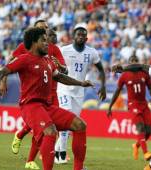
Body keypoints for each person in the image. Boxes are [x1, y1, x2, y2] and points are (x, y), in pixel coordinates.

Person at [0, 27, 92, 170]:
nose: (47, 43)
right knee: (50, 131)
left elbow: (60, 77)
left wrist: (81, 83)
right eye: (43, 40)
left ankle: (78, 168)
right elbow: (3, 70)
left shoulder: (48, 60)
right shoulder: (24, 59)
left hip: (47, 106)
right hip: (30, 106)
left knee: (80, 125)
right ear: (34, 43)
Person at [4, 20, 67, 170]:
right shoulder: (24, 47)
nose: (45, 31)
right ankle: (30, 156)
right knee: (45, 128)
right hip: (33, 94)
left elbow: (64, 70)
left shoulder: (53, 48)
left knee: (47, 128)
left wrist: (60, 66)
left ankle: (28, 156)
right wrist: (2, 81)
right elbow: (11, 63)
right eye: (42, 28)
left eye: (46, 28)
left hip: (52, 93)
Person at [55, 25, 106, 164]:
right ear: (73, 36)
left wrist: (103, 86)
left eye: (83, 35)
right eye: (78, 34)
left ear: (86, 38)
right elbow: (53, 63)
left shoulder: (92, 52)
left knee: (73, 123)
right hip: (63, 88)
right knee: (66, 116)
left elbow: (101, 70)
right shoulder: (63, 50)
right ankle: (62, 154)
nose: (81, 37)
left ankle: (57, 150)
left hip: (79, 91)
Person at [107, 55, 151, 161]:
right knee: (140, 128)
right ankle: (146, 152)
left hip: (144, 105)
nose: (133, 63)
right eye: (131, 61)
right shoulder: (124, 75)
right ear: (129, 63)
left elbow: (150, 88)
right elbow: (117, 91)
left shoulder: (144, 73)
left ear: (138, 62)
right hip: (133, 105)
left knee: (148, 132)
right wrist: (110, 106)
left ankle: (136, 145)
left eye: (135, 61)